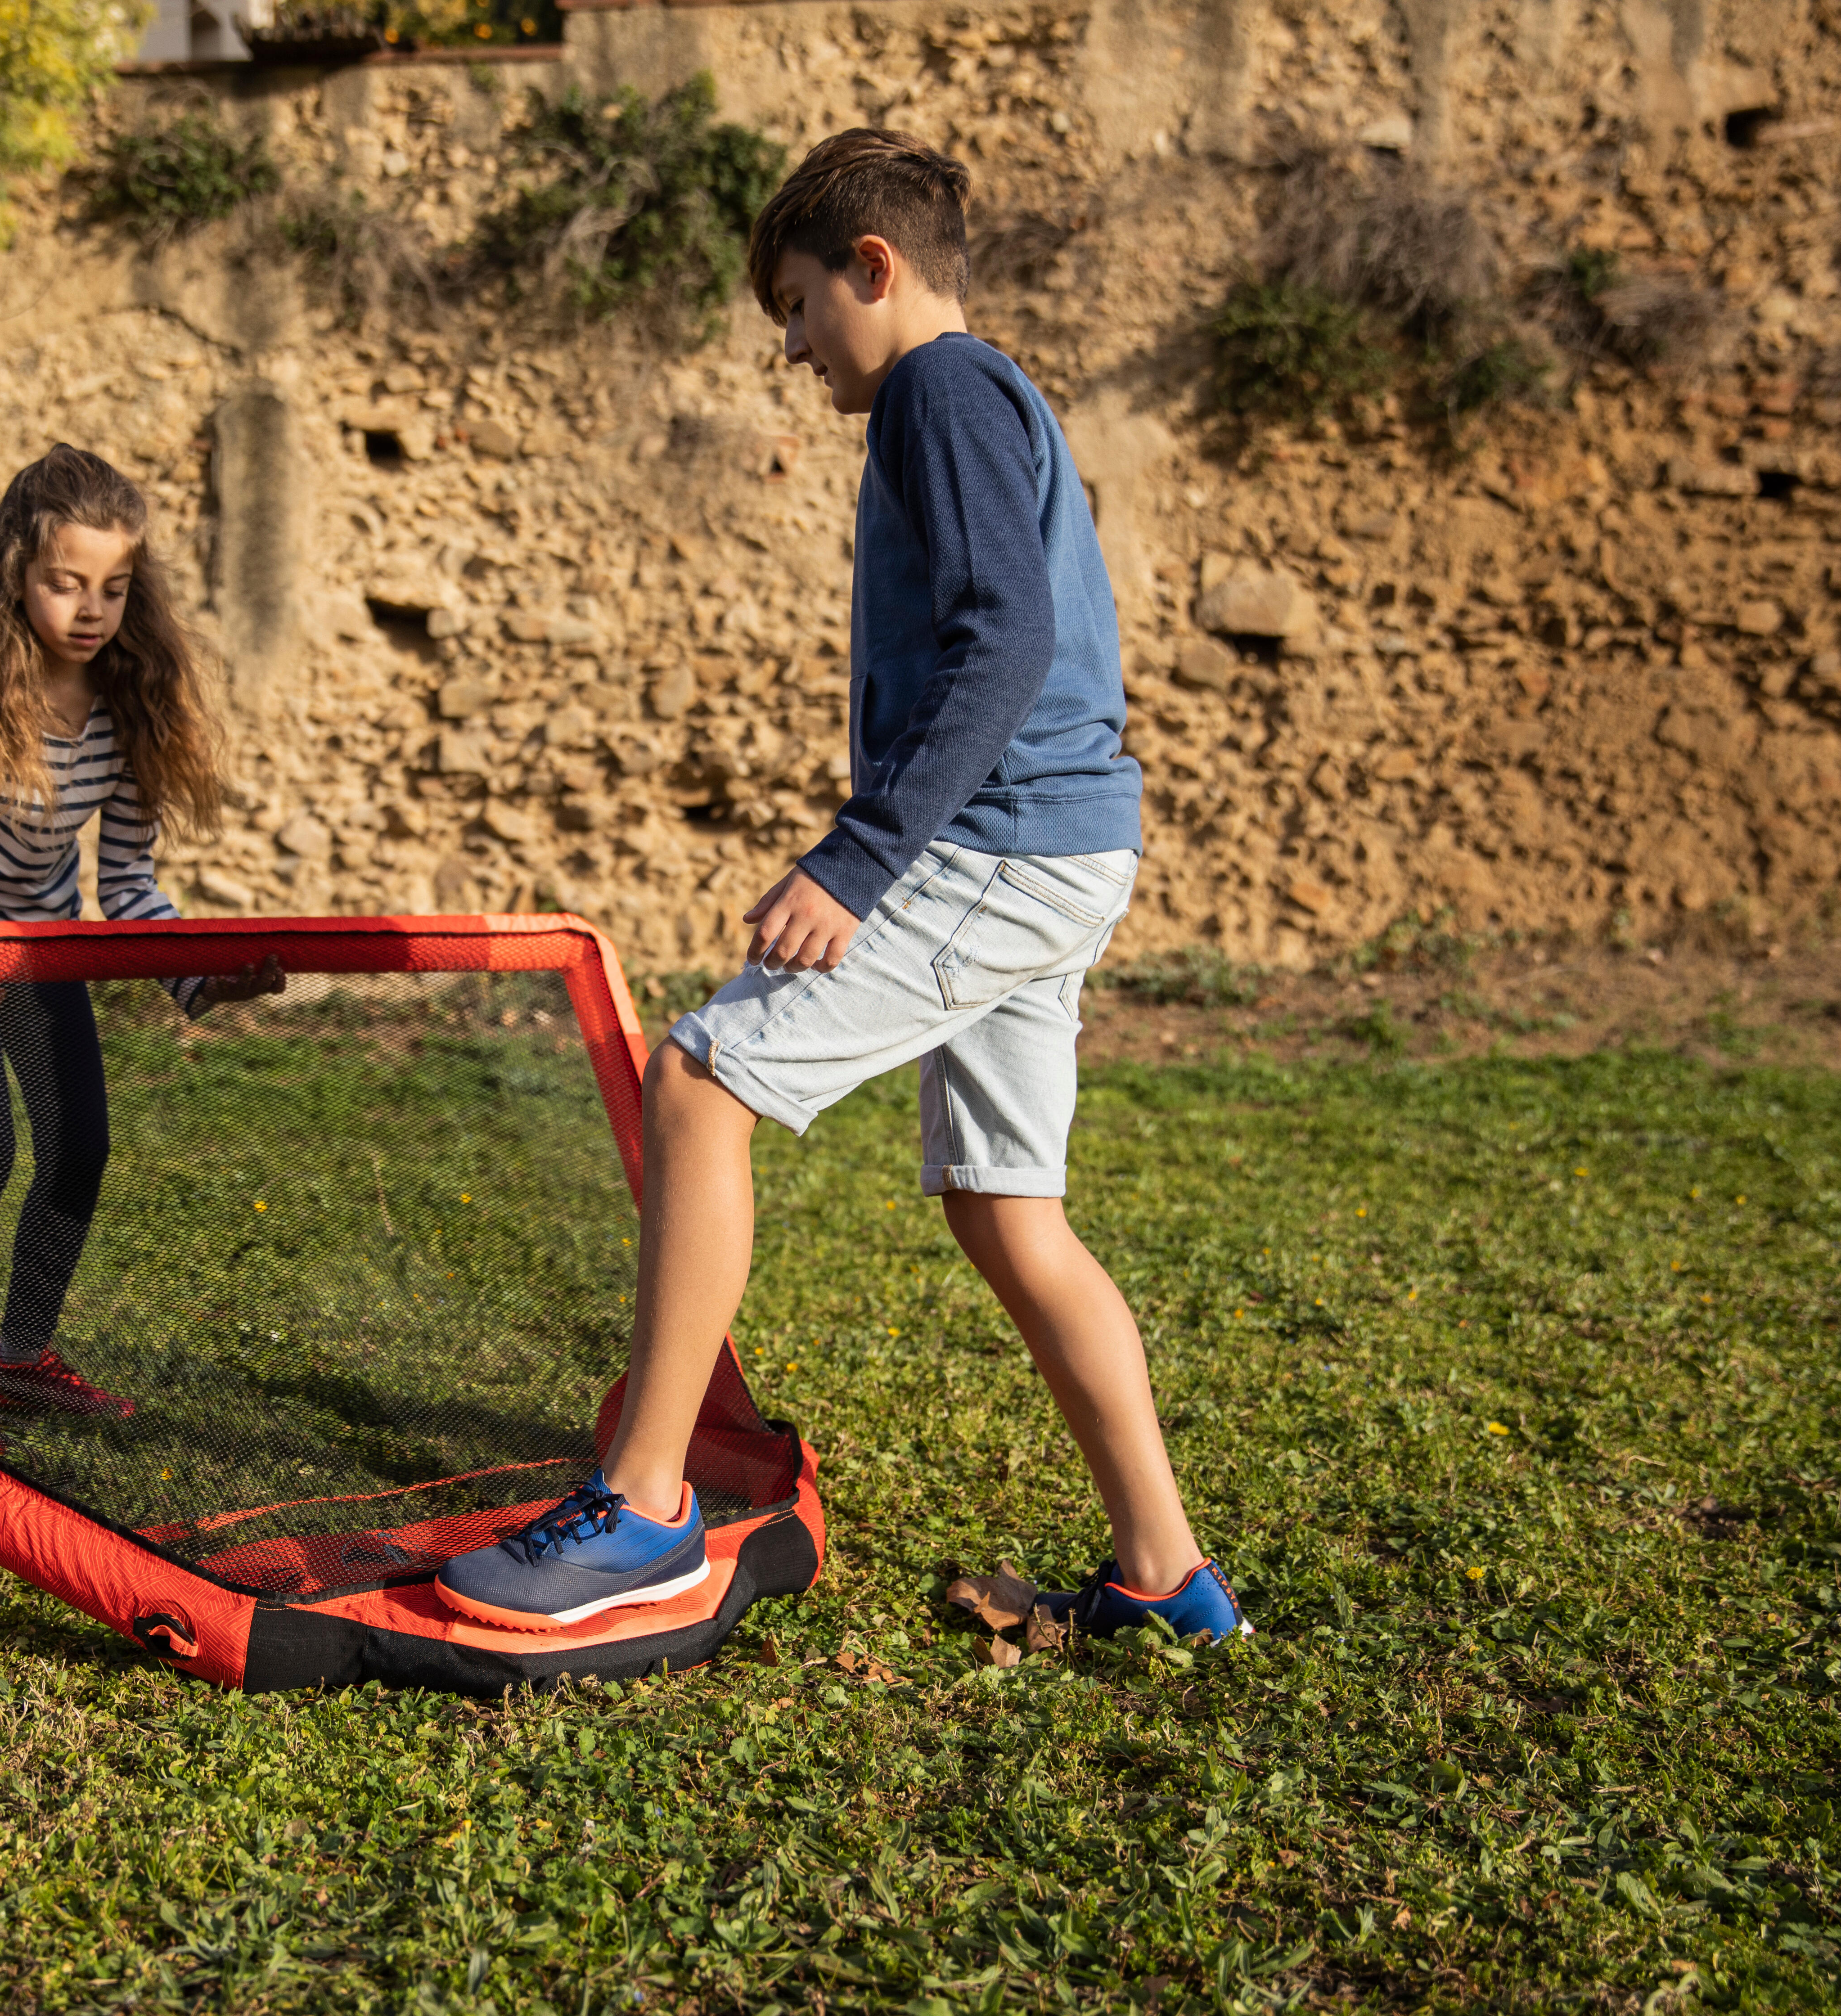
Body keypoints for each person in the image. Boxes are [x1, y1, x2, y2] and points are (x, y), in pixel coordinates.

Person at [436, 130, 1247, 1644]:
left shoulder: (940, 390)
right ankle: (1165, 1575)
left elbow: (1003, 647)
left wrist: (860, 860)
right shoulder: (992, 398)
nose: (796, 347)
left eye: (800, 306)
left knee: (697, 1080)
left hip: (996, 848)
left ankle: (649, 1507)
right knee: (1013, 1216)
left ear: (872, 269)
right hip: (1066, 847)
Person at [0, 444, 283, 1436]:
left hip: (49, 952)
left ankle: (20, 1357)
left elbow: (130, 888)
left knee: (80, 1146)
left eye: (114, 586)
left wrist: (204, 976)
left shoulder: (127, 708)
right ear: (17, 571)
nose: (91, 608)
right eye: (67, 584)